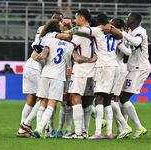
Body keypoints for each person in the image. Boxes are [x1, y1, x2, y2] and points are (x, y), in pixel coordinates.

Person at [32, 19, 73, 138]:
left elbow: (42, 56)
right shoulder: (67, 45)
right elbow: (68, 63)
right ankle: (40, 129)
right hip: (58, 76)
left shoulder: (49, 40)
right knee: (52, 103)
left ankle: (40, 127)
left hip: (45, 74)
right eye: (61, 25)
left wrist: (37, 57)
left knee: (43, 102)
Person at [63, 9, 97, 139]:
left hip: (81, 69)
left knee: (74, 97)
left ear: (82, 19)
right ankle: (85, 131)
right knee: (88, 102)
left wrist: (69, 67)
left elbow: (67, 51)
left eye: (76, 18)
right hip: (93, 70)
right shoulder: (95, 32)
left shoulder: (78, 34)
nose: (74, 21)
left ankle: (77, 133)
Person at [119, 13, 149, 139]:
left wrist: (123, 34)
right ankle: (125, 129)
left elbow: (136, 42)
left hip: (139, 69)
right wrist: (125, 35)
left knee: (124, 97)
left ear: (134, 20)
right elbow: (128, 49)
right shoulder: (132, 31)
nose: (126, 19)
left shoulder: (140, 31)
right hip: (134, 69)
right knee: (122, 97)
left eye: (128, 18)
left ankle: (138, 127)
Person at [108, 18, 132, 139]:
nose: (109, 26)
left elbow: (127, 52)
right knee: (113, 100)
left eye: (111, 24)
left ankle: (124, 127)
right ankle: (121, 129)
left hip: (117, 68)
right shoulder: (121, 36)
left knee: (113, 100)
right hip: (117, 67)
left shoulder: (119, 37)